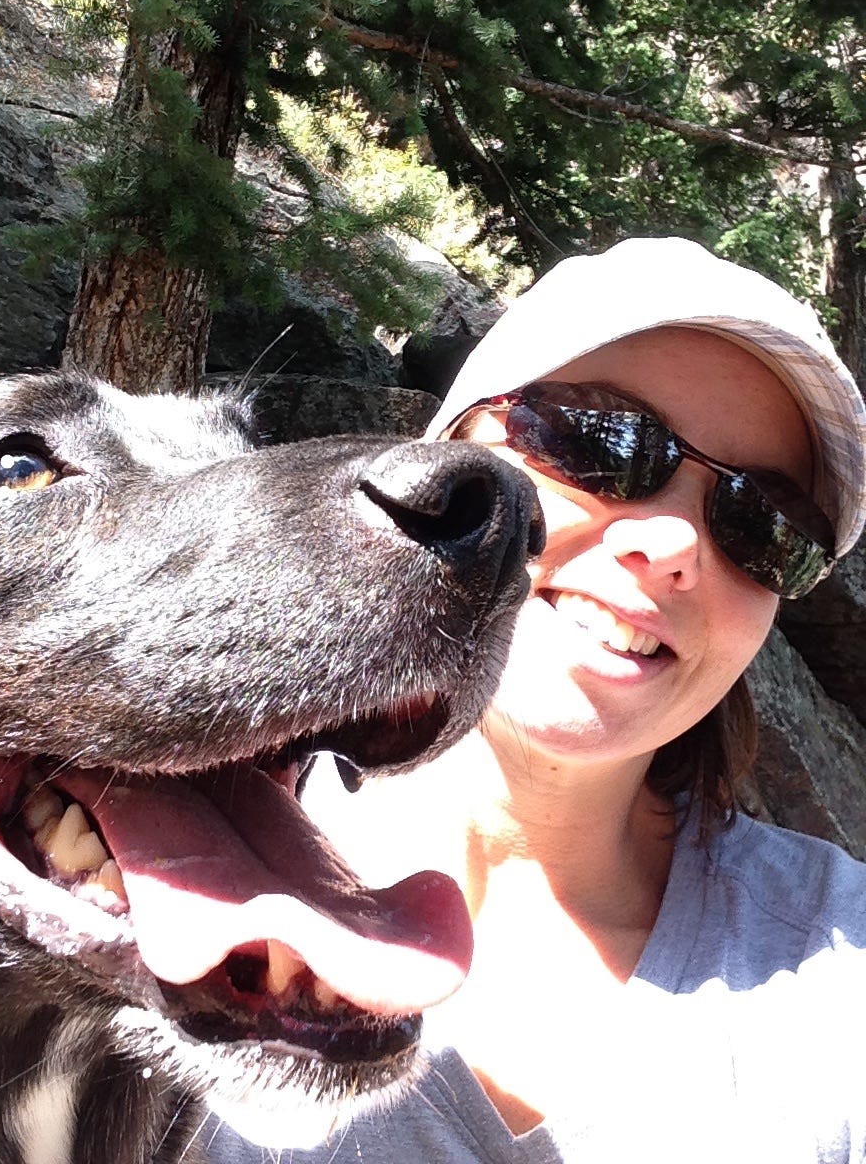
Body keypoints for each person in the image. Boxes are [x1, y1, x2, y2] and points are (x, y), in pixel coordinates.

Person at [209, 237, 866, 1164]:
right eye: (601, 442)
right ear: (446, 452)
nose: (674, 543)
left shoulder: (838, 976)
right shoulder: (146, 860)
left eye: (761, 523)